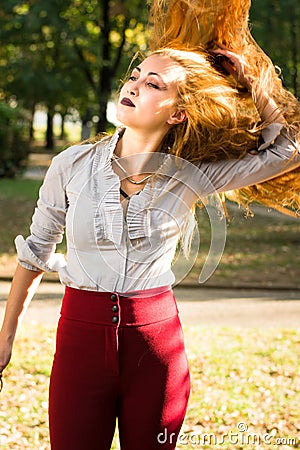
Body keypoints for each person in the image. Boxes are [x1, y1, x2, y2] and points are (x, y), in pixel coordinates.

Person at [0, 1, 300, 449]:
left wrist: (253, 80)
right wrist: (5, 338)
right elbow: (36, 251)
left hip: (156, 348)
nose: (135, 85)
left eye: (154, 83)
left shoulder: (193, 175)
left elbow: (287, 150)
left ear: (177, 112)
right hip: (79, 341)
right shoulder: (70, 165)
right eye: (135, 75)